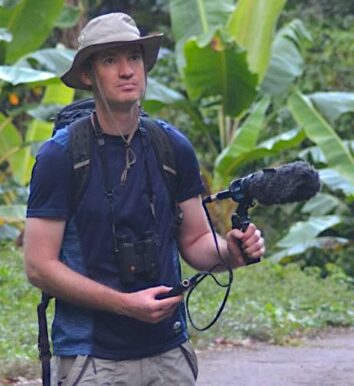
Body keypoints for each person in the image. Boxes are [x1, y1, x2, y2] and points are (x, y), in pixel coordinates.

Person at [24, 12, 265, 386]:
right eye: (110, 60)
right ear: (88, 75)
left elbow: (197, 242)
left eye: (134, 58)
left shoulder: (171, 148)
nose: (126, 71)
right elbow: (39, 266)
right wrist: (125, 304)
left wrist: (232, 252)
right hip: (93, 359)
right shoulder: (61, 157)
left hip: (168, 353)